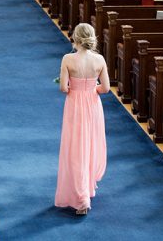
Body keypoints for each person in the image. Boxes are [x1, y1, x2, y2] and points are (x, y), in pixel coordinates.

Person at [55, 22, 109, 215]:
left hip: (75, 105)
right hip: (93, 105)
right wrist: (91, 89)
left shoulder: (68, 59)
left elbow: (63, 88)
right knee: (90, 145)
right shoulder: (100, 60)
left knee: (76, 147)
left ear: (75, 38)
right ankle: (87, 187)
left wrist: (75, 88)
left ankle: (82, 198)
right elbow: (106, 88)